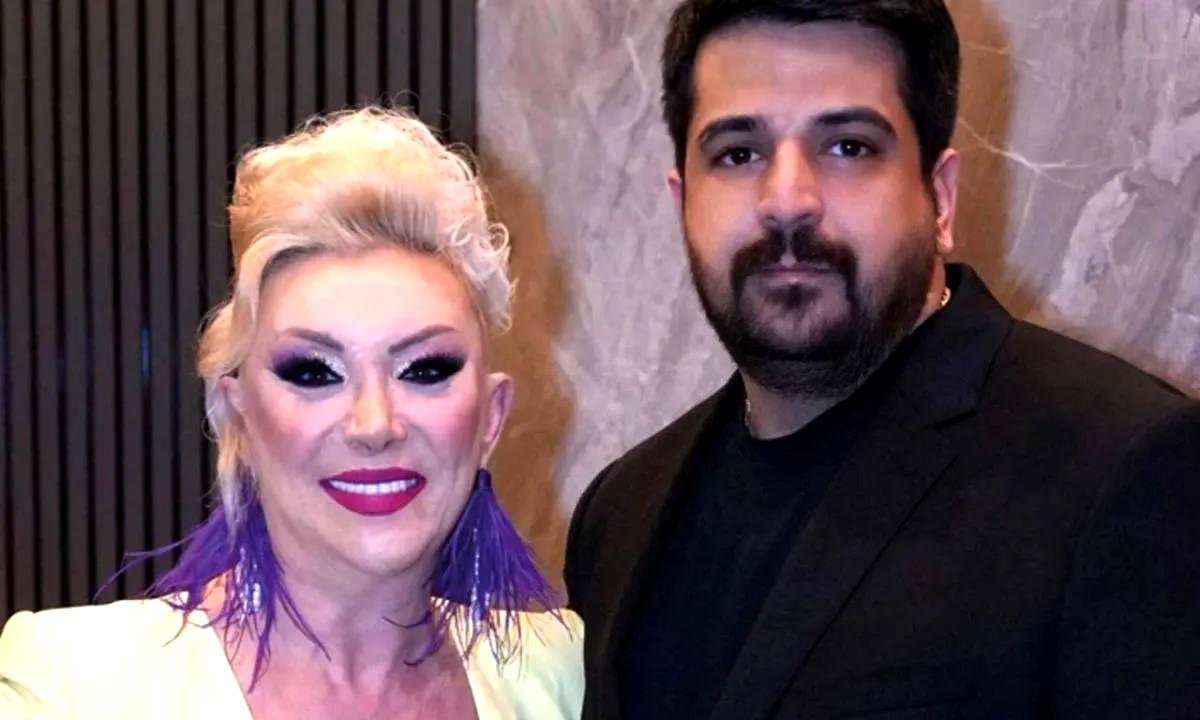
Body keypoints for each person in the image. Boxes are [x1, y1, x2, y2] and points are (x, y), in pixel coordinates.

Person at [564, 1, 1200, 718]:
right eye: (738, 153)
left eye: (849, 146)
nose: (788, 201)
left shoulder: (1124, 468)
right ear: (682, 201)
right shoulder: (619, 511)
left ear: (941, 197)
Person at [0, 107, 583, 719]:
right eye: (314, 373)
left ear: (491, 417)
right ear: (239, 418)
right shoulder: (71, 684)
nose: (375, 425)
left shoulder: (564, 675)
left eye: (424, 369)